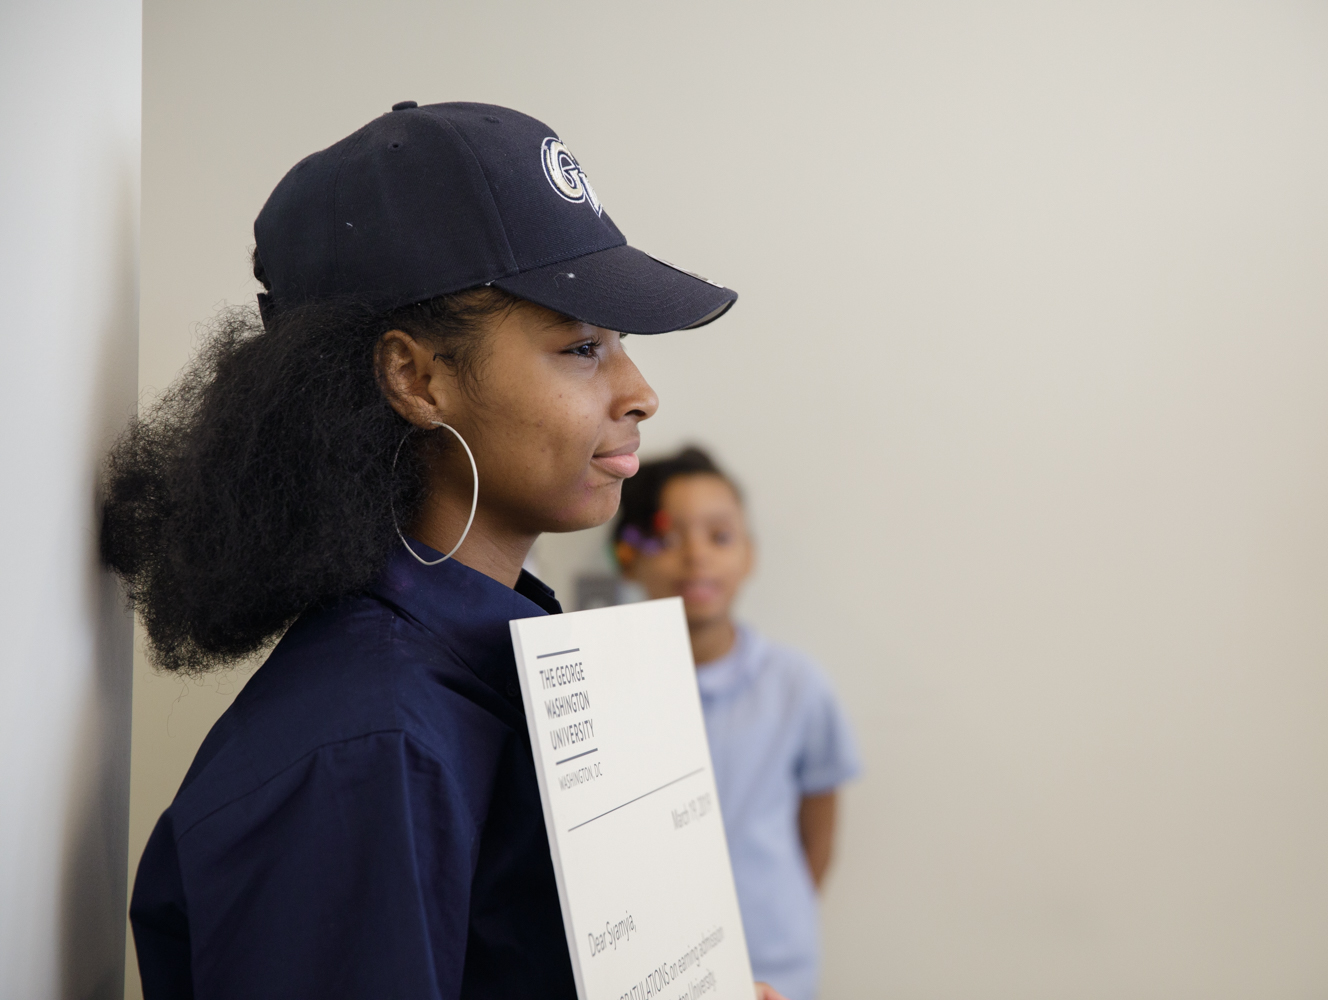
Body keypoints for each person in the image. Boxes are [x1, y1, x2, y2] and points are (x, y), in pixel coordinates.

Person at [103, 101, 787, 1000]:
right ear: (417, 378)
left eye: (620, 343)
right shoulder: (365, 750)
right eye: (582, 346)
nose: (640, 392)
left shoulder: (497, 665)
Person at [613, 447, 861, 1000]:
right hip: (654, 971)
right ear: (626, 554)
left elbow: (817, 831)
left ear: (749, 555)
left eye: (720, 536)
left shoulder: (798, 685)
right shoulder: (607, 692)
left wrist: (780, 917)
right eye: (668, 536)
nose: (696, 556)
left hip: (776, 959)